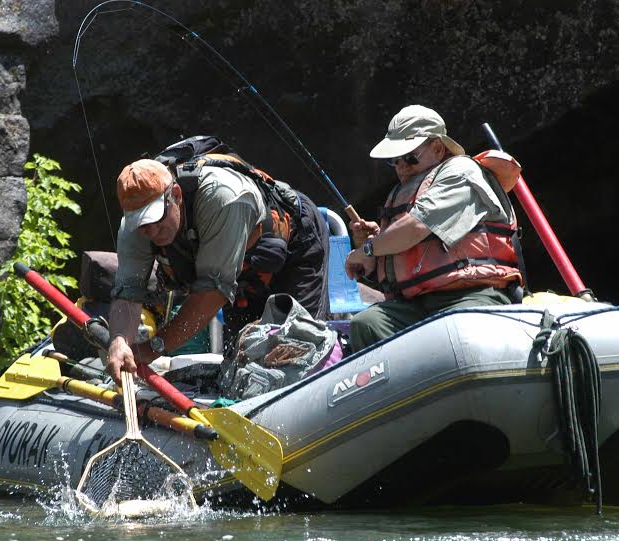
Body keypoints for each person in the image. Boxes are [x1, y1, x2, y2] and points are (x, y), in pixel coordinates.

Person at [105, 150, 329, 381]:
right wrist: (120, 341)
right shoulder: (133, 230)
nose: (150, 231)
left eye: (155, 218)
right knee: (241, 363)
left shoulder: (224, 198)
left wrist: (153, 348)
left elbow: (211, 294)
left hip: (295, 247)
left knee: (296, 354)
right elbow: (128, 293)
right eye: (141, 224)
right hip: (239, 273)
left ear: (176, 195)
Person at [345, 105, 523, 352]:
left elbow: (415, 228)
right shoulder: (406, 190)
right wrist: (375, 247)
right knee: (366, 324)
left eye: (409, 156)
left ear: (438, 148)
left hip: (470, 296)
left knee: (453, 330)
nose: (401, 166)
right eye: (394, 160)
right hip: (416, 304)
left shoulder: (461, 172)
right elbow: (405, 254)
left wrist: (367, 249)